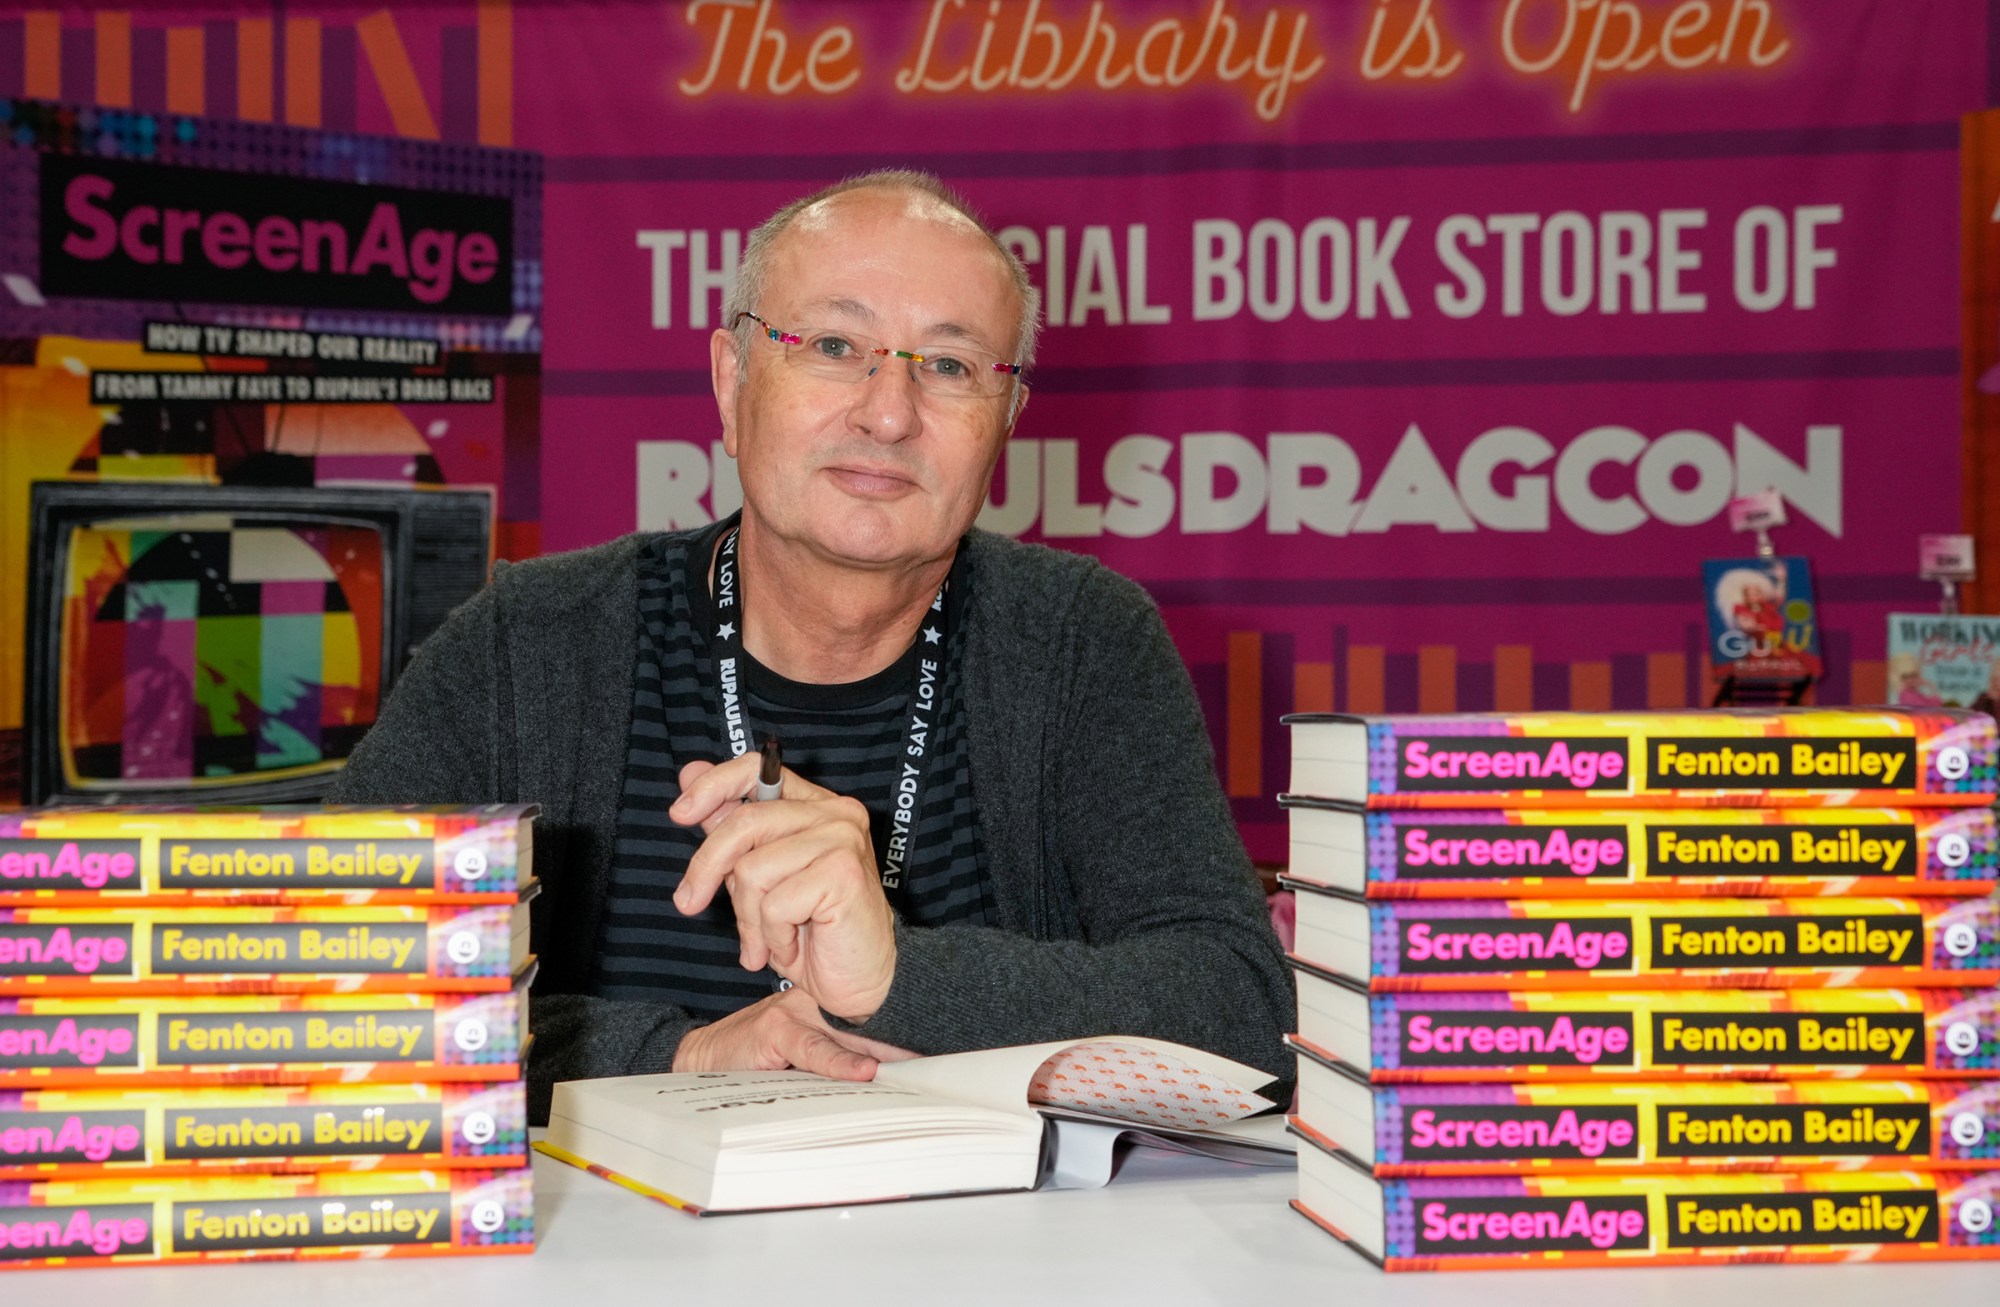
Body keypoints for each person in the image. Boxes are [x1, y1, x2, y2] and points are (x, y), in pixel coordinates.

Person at [331, 170, 1292, 1120]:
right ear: (732, 381)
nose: (888, 413)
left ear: (1005, 422)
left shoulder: (1085, 642)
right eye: (835, 345)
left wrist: (896, 974)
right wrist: (673, 1055)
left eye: (951, 367)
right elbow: (324, 986)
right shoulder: (529, 644)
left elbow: (1244, 1010)